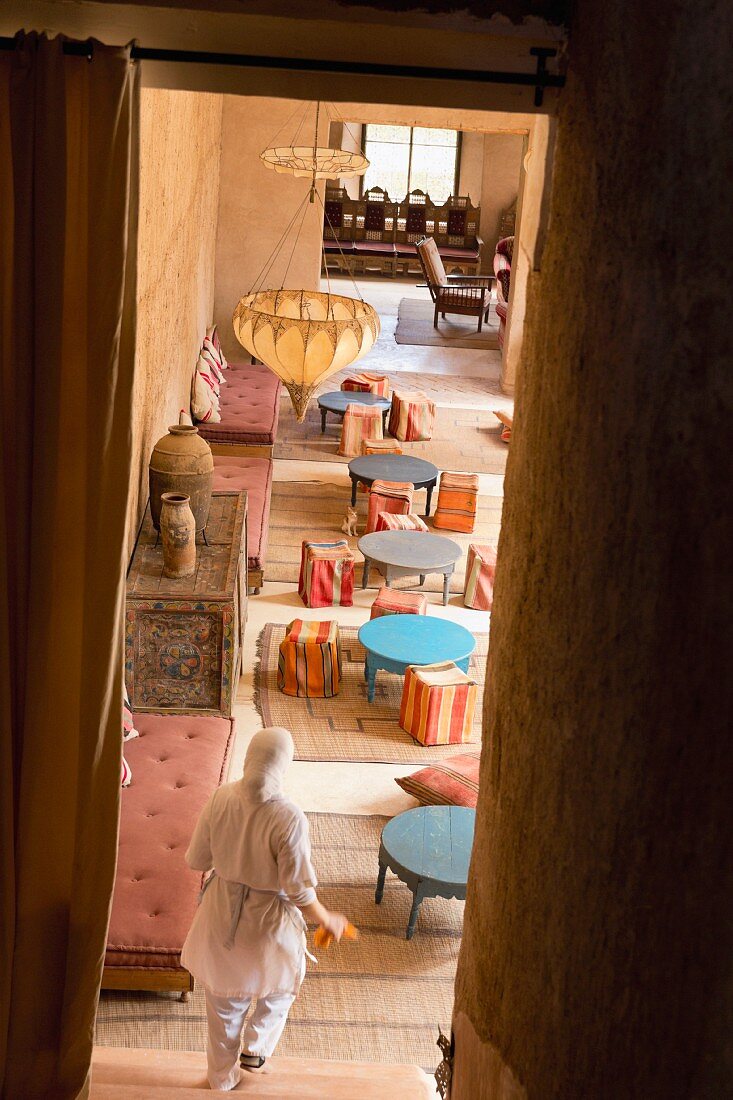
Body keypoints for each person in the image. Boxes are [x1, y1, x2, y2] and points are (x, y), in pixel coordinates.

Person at [181, 726, 349, 1090]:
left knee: (224, 1006)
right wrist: (327, 919)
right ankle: (256, 1048)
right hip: (268, 922)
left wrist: (232, 858)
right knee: (283, 983)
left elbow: (197, 860)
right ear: (282, 765)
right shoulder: (289, 817)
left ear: (249, 759)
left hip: (220, 915)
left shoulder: (220, 798)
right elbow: (299, 890)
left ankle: (221, 1081)